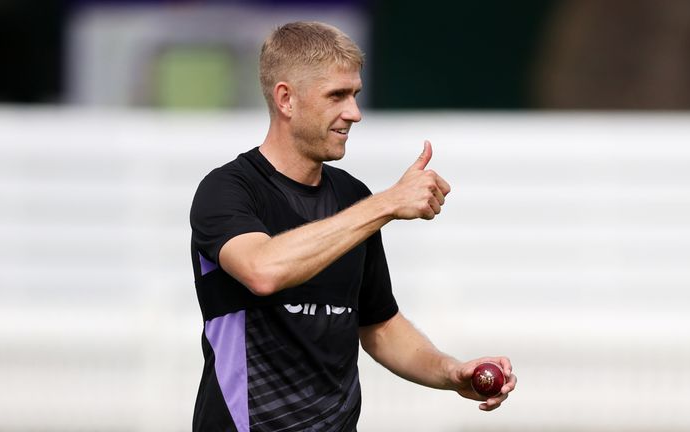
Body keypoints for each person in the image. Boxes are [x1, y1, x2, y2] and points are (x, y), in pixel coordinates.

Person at [190, 21, 517, 431]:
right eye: (337, 96)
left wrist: (451, 372)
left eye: (355, 95)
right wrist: (384, 204)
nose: (355, 113)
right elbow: (263, 270)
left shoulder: (352, 197)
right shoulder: (227, 190)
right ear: (286, 99)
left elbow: (379, 325)